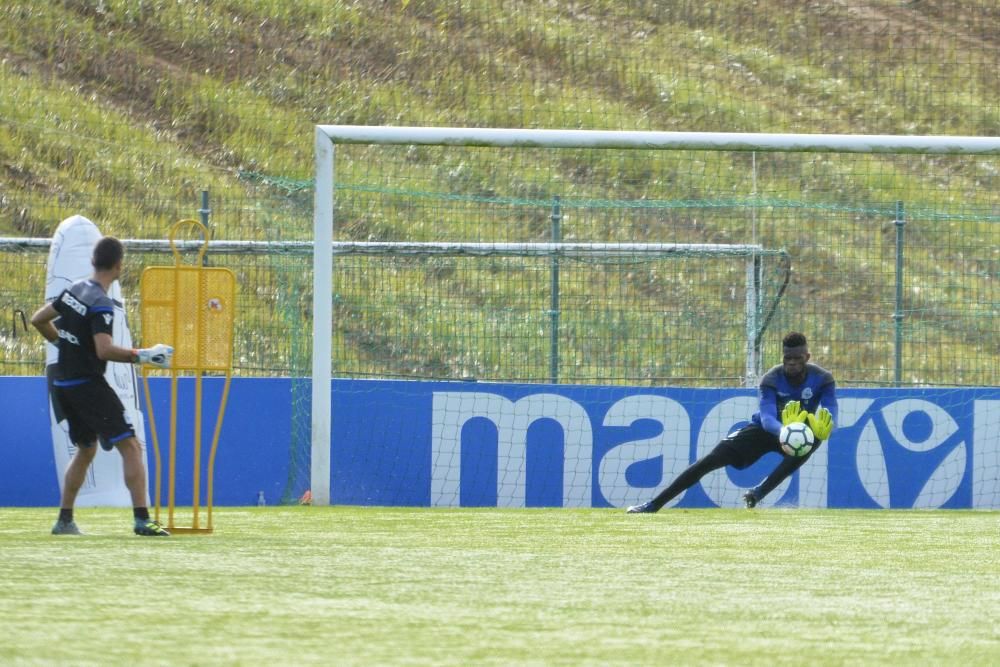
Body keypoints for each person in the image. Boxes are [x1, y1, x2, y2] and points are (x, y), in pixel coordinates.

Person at [31, 236, 174, 536]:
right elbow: (104, 350)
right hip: (87, 384)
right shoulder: (101, 303)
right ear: (119, 265)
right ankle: (142, 520)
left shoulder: (74, 290)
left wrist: (63, 342)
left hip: (63, 382)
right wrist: (143, 355)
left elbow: (39, 319)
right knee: (131, 446)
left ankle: (65, 520)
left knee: (85, 448)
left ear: (94, 261)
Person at [627, 331, 837, 512]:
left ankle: (758, 493)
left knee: (812, 439)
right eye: (787, 358)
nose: (791, 363)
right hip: (764, 431)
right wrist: (783, 430)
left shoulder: (823, 379)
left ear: (807, 357)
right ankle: (653, 505)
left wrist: (827, 426)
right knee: (710, 460)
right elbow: (766, 418)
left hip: (795, 435)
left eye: (797, 358)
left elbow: (830, 410)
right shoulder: (771, 379)